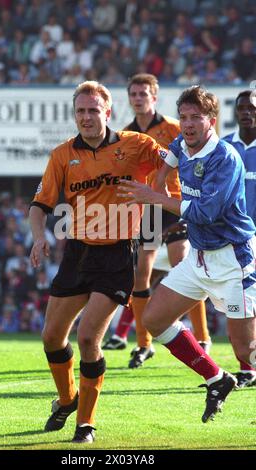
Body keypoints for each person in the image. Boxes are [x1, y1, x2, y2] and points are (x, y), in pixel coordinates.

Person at [29, 80, 168, 443]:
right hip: (77, 252)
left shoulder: (135, 145)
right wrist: (38, 237)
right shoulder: (62, 154)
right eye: (81, 111)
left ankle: (85, 424)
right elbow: (40, 204)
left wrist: (159, 190)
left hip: (117, 254)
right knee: (51, 338)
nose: (87, 117)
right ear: (74, 114)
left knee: (89, 336)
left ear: (108, 112)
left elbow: (172, 158)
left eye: (94, 110)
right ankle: (66, 400)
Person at [118, 85, 256, 422]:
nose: (188, 123)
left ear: (211, 121)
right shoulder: (183, 140)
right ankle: (216, 378)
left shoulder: (225, 158)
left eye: (196, 117)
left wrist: (156, 197)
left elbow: (204, 213)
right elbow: (170, 154)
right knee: (153, 319)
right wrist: (161, 181)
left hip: (232, 260)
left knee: (245, 350)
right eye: (184, 117)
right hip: (198, 258)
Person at [103, 74, 211, 369]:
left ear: (155, 96)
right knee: (140, 272)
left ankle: (202, 338)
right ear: (129, 98)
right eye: (134, 93)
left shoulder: (174, 128)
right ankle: (143, 343)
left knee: (183, 263)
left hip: (175, 204)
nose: (138, 98)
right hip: (149, 208)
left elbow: (195, 161)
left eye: (143, 93)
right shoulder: (125, 135)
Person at [223, 90, 256, 388]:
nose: (246, 112)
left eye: (252, 107)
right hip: (234, 241)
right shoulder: (223, 147)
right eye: (241, 107)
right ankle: (248, 367)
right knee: (241, 303)